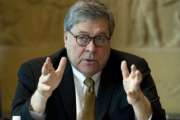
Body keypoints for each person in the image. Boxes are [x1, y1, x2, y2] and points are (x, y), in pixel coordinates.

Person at [11, 0, 166, 120]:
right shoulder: (34, 71)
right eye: (83, 38)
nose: (91, 48)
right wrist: (40, 96)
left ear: (109, 39)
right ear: (66, 38)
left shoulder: (133, 70)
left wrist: (138, 101)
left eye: (100, 38)